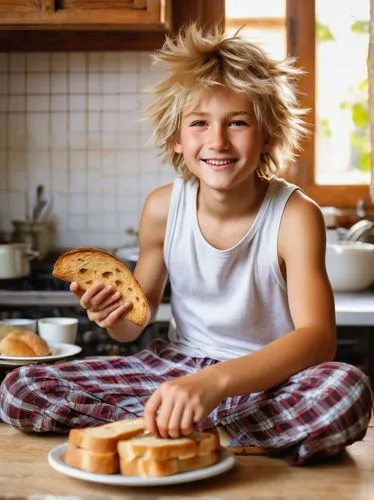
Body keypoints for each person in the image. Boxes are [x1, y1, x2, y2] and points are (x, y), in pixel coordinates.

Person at [0, 24, 372, 465]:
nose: (217, 141)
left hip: (265, 377)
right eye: (199, 123)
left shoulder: (294, 215)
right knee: (20, 389)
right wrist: (111, 314)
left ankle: (174, 427)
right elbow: (131, 327)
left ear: (268, 135)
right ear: (177, 137)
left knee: (347, 390)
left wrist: (215, 384)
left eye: (238, 123)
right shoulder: (162, 208)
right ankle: (198, 427)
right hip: (172, 369)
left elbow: (317, 339)